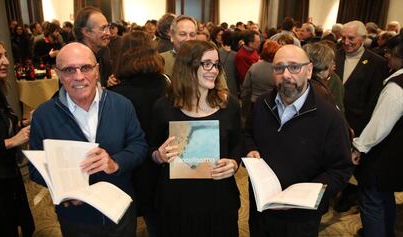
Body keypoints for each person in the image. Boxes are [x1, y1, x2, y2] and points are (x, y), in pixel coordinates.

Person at [29, 42, 148, 237]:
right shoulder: (44, 115)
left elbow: (139, 145)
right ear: (58, 73)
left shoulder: (122, 105)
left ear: (97, 70)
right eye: (69, 70)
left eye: (85, 67)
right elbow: (34, 169)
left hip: (119, 210)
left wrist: (115, 162)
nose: (78, 76)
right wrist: (63, 189)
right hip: (75, 216)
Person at [244, 45, 353, 237]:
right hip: (261, 208)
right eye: (279, 68)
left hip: (301, 218)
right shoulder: (262, 104)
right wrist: (250, 149)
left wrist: (304, 196)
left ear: (309, 71)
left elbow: (341, 169)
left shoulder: (330, 117)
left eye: (294, 67)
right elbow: (247, 135)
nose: (286, 74)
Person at [150, 40, 242, 237]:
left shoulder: (230, 105)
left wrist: (234, 163)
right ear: (187, 66)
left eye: (216, 64)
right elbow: (149, 149)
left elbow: (238, 144)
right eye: (206, 63)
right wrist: (158, 156)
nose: (214, 70)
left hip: (219, 200)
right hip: (177, 202)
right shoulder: (164, 108)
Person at [109, 31, 168, 237]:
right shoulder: (167, 84)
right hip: (163, 158)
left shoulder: (115, 94)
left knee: (128, 219)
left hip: (131, 164)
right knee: (159, 218)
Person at [334, 20, 389, 214]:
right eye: (343, 38)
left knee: (356, 165)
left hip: (359, 124)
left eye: (351, 38)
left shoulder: (377, 63)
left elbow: (375, 100)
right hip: (334, 120)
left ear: (364, 39)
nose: (346, 42)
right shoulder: (335, 55)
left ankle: (349, 195)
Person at [352, 40, 403, 237]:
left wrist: (358, 147)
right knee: (385, 196)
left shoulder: (396, 88)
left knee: (371, 201)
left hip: (383, 157)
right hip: (396, 157)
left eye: (390, 53)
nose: (386, 56)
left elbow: (379, 125)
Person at [0, 35, 35, 237]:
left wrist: (23, 123)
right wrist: (12, 141)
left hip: (7, 177)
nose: (6, 62)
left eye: (5, 56)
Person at [73, 6, 113, 87]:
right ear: (86, 32)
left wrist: (110, 83)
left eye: (108, 27)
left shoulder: (104, 51)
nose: (108, 33)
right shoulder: (73, 58)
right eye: (103, 28)